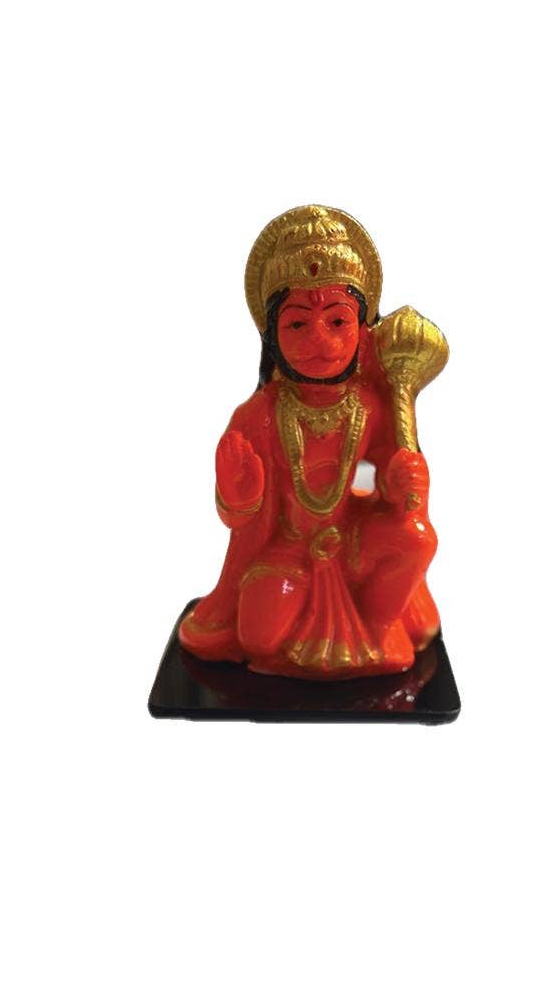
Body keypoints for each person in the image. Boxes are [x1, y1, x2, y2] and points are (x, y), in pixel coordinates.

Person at [179, 205, 442, 679]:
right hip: (291, 549)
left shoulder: (373, 407)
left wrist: (397, 482)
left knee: (416, 538)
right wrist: (240, 496)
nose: (319, 339)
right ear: (273, 336)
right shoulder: (259, 415)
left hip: (355, 546)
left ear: (362, 330)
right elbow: (240, 519)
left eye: (337, 321)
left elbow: (375, 488)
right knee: (259, 636)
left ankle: (378, 628)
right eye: (298, 324)